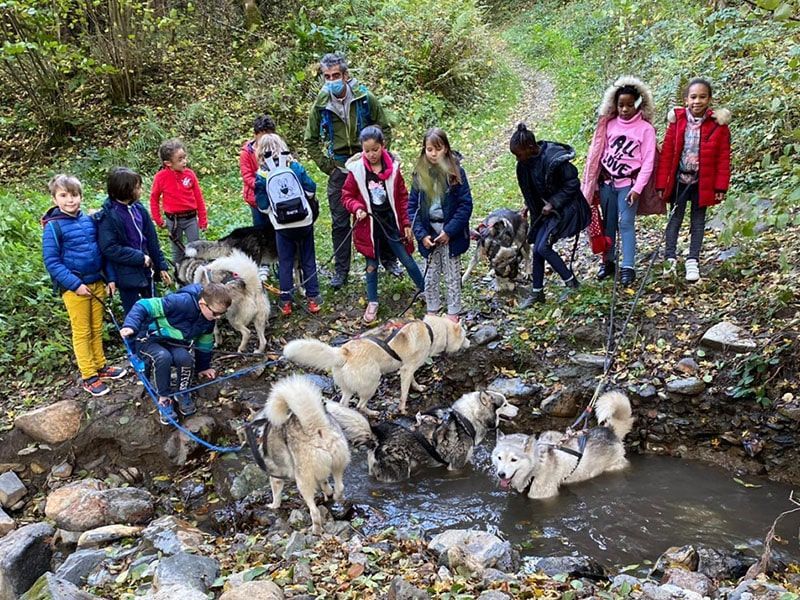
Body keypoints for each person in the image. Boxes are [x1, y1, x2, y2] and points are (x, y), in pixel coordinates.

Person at [303, 52, 401, 289]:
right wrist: (328, 167)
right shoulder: (321, 104)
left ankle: (389, 260)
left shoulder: (364, 98)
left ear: (346, 75)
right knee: (339, 222)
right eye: (327, 76)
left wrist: (378, 159)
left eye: (336, 75)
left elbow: (384, 128)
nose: (332, 80)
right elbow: (310, 140)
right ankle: (341, 270)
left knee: (380, 213)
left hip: (367, 167)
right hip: (339, 168)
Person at [42, 174, 127, 397]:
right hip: (75, 289)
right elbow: (52, 262)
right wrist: (75, 284)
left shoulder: (89, 221)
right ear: (54, 199)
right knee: (82, 331)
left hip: (97, 282)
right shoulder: (53, 227)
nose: (70, 200)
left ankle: (101, 365)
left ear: (80, 196)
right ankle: (89, 375)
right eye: (63, 196)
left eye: (74, 195)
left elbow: (102, 251)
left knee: (97, 328)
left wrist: (110, 278)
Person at [341, 126, 425, 323]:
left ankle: (425, 289)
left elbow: (402, 197)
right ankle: (372, 301)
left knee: (406, 258)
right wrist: (357, 208)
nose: (371, 154)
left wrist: (406, 222)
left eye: (375, 149)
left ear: (383, 146)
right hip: (368, 226)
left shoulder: (393, 170)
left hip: (391, 223)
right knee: (371, 264)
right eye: (367, 150)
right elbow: (346, 196)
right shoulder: (357, 171)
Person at [582, 76, 658, 286]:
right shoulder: (609, 125)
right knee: (608, 224)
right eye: (621, 104)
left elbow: (648, 162)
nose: (625, 109)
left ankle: (628, 266)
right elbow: (599, 151)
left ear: (638, 104)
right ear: (614, 104)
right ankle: (608, 261)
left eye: (629, 105)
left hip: (629, 184)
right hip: (608, 182)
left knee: (626, 223)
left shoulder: (645, 129)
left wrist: (637, 188)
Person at [119, 282, 231, 423]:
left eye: (222, 314)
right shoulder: (180, 302)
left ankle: (182, 392)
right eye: (216, 313)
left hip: (175, 343)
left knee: (185, 358)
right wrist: (131, 326)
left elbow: (204, 344)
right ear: (203, 304)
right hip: (148, 339)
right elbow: (143, 305)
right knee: (163, 357)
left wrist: (203, 367)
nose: (218, 317)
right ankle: (164, 398)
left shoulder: (209, 320)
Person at [656, 78, 731, 282]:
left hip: (702, 182)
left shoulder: (718, 126)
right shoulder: (677, 122)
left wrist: (720, 187)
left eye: (702, 97)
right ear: (686, 99)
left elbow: (723, 158)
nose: (697, 101)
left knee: (698, 222)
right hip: (679, 180)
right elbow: (667, 154)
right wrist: (662, 183)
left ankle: (692, 261)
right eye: (693, 97)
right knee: (674, 219)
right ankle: (670, 259)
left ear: (709, 99)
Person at [510, 123, 589, 304]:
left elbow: (572, 184)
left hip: (567, 208)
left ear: (530, 147)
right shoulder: (523, 165)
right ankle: (537, 292)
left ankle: (572, 283)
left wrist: (553, 202)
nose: (517, 159)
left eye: (519, 154)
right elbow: (531, 190)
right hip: (545, 212)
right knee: (538, 248)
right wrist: (528, 206)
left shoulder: (554, 159)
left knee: (543, 247)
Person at [407, 127, 473, 322]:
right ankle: (432, 311)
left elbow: (465, 205)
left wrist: (449, 231)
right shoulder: (419, 175)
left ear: (446, 149)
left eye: (438, 149)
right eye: (429, 149)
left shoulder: (456, 173)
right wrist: (421, 235)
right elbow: (412, 208)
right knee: (431, 274)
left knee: (452, 275)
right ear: (424, 150)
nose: (434, 154)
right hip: (429, 233)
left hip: (451, 234)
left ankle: (453, 314)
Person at [254, 133, 322, 316]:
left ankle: (286, 303)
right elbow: (311, 189)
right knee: (308, 258)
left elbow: (263, 206)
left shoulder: (262, 174)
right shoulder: (294, 166)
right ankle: (313, 299)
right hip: (304, 221)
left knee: (285, 262)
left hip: (282, 226)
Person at [97, 167, 171, 316]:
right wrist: (139, 257)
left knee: (155, 308)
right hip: (126, 274)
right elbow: (110, 248)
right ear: (124, 190)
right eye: (137, 188)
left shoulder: (139, 209)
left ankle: (156, 331)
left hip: (147, 269)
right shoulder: (109, 216)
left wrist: (161, 265)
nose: (140, 190)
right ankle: (136, 332)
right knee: (134, 313)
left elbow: (151, 239)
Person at [149, 138, 208, 263]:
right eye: (180, 159)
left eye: (184, 158)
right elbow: (154, 198)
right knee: (177, 250)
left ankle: (196, 270)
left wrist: (203, 219)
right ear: (168, 163)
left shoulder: (190, 175)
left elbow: (199, 198)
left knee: (195, 248)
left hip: (191, 219)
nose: (184, 161)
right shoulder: (160, 177)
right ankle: (178, 273)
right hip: (173, 221)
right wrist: (158, 219)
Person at [240, 114, 277, 227]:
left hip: (276, 195)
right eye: (262, 136)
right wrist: (262, 184)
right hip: (256, 198)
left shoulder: (276, 149)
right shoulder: (247, 152)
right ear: (255, 134)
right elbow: (247, 176)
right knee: (260, 229)